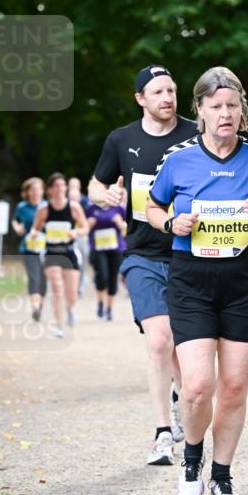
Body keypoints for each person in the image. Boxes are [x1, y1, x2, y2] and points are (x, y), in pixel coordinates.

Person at [146, 66, 248, 495]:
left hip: (242, 280)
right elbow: (151, 206)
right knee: (196, 386)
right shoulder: (179, 160)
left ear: (241, 110)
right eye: (216, 106)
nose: (225, 114)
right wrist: (171, 221)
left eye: (232, 106)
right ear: (201, 111)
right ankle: (192, 456)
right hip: (191, 279)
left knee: (235, 387)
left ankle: (222, 476)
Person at [88, 65, 197, 466]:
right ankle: (162, 432)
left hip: (190, 253)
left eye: (171, 90)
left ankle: (183, 404)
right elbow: (95, 185)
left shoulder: (194, 137)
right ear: (141, 99)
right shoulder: (122, 139)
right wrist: (105, 195)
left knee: (185, 350)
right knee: (158, 340)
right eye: (157, 92)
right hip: (142, 254)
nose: (167, 98)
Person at [31, 173, 88, 338]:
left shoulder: (74, 207)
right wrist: (34, 234)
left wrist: (76, 232)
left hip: (69, 252)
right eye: (56, 186)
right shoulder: (44, 209)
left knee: (71, 293)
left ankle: (70, 309)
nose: (60, 189)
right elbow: (36, 227)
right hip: (51, 252)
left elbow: (85, 228)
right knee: (57, 288)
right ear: (50, 189)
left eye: (63, 185)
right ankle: (59, 325)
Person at [86, 189, 127, 320]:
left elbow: (127, 229)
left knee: (112, 278)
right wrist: (89, 224)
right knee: (102, 277)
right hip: (98, 249)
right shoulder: (91, 209)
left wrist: (120, 223)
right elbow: (82, 227)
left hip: (116, 249)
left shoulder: (118, 209)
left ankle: (109, 309)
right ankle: (100, 303)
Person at [11, 177, 47, 321]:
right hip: (29, 247)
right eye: (32, 190)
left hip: (46, 248)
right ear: (27, 192)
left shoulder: (47, 206)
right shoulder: (22, 207)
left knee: (44, 280)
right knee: (34, 277)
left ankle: (40, 304)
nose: (36, 192)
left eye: (38, 189)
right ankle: (35, 307)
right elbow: (15, 220)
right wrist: (17, 227)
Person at [69, 177, 91, 296]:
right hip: (68, 236)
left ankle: (80, 286)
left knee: (82, 260)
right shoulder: (63, 203)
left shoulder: (86, 203)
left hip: (81, 236)